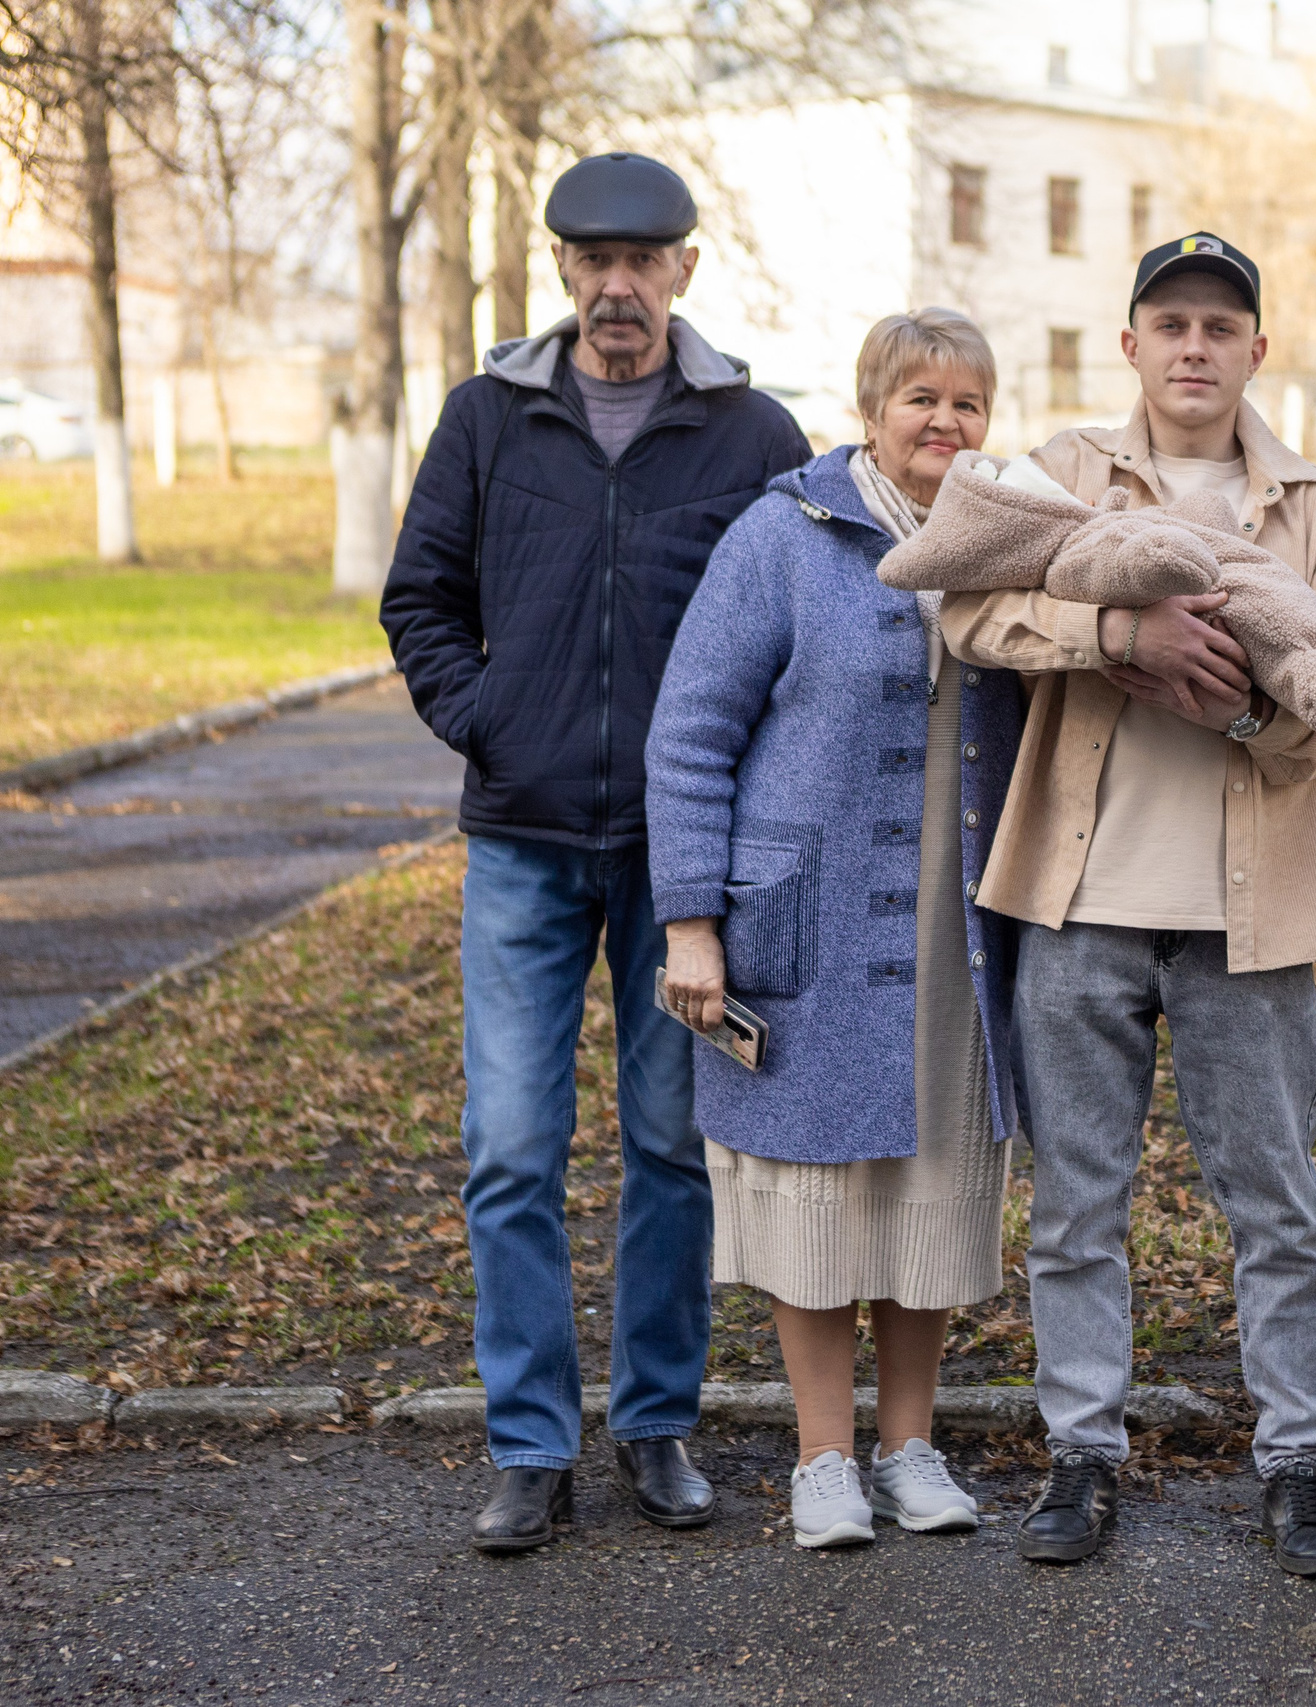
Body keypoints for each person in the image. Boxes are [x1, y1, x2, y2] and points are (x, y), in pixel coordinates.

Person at [379, 152, 811, 1553]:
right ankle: (528, 1443)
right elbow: (420, 597)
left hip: (683, 861)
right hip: (523, 839)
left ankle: (659, 1425)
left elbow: (798, 626)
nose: (617, 285)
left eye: (645, 259)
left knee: (669, 1147)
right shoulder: (487, 419)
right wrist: (489, 721)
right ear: (560, 269)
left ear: (686, 267)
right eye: (592, 260)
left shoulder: (753, 436)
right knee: (508, 1147)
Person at [938, 232, 1316, 1577]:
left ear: (1258, 348)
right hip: (1078, 903)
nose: (1196, 346)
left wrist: (1246, 701)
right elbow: (968, 610)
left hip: (1251, 916)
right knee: (1079, 1200)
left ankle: (1298, 1460)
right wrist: (1115, 637)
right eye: (1171, 323)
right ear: (1131, 343)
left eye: (1221, 326)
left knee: (1277, 1202)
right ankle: (1083, 1451)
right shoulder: (1066, 472)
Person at [645, 309, 1024, 1549]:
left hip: (950, 932)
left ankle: (912, 1447)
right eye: (920, 398)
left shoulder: (1006, 546)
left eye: (967, 404)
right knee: (815, 1195)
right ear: (871, 410)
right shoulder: (783, 537)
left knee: (924, 1185)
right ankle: (822, 1461)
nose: (944, 423)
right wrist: (691, 924)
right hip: (800, 924)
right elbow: (692, 732)